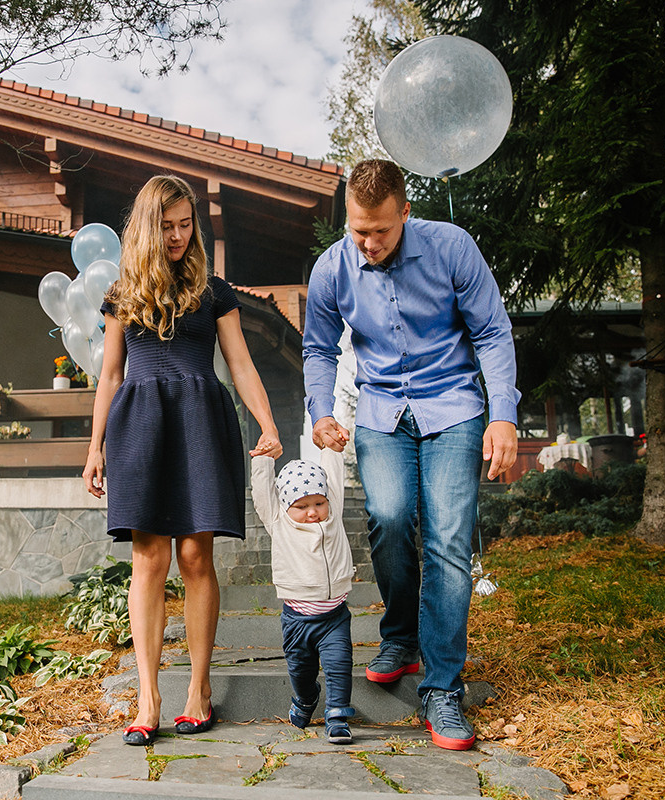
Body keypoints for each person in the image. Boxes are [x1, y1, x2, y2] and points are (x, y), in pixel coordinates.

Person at [302, 159, 519, 751]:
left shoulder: (451, 248)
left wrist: (503, 414)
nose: (368, 244)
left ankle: (442, 686)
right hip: (380, 412)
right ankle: (400, 635)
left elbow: (493, 332)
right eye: (358, 231)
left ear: (404, 211)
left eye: (381, 231)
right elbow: (318, 347)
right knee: (391, 517)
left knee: (448, 537)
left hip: (454, 406)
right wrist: (322, 411)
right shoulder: (333, 268)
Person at [84, 175, 283, 747]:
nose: (176, 236)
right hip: (141, 424)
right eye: (166, 226)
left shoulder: (214, 291)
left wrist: (269, 424)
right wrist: (94, 447)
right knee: (148, 559)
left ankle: (197, 689)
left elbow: (241, 364)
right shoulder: (123, 292)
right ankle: (148, 697)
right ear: (147, 227)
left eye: (185, 224)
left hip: (199, 418)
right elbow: (112, 374)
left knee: (196, 556)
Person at [250, 445, 356, 744]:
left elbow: (333, 476)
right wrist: (263, 459)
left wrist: (331, 449)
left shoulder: (332, 516)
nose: (312, 512)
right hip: (297, 621)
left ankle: (337, 716)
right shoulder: (278, 522)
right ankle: (306, 699)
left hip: (335, 617)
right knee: (300, 670)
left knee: (339, 666)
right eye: (301, 506)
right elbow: (262, 493)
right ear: (285, 507)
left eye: (318, 503)